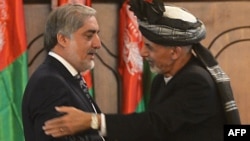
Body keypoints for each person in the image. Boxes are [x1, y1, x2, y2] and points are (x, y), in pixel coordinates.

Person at [42, 1, 226, 141]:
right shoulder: (161, 80)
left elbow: (155, 125)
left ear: (175, 52)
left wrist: (94, 121)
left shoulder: (196, 81)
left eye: (149, 47)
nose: (143, 52)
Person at [22, 3, 106, 141]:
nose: (98, 44)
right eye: (89, 35)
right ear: (62, 39)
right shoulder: (49, 83)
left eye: (97, 34)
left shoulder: (66, 77)